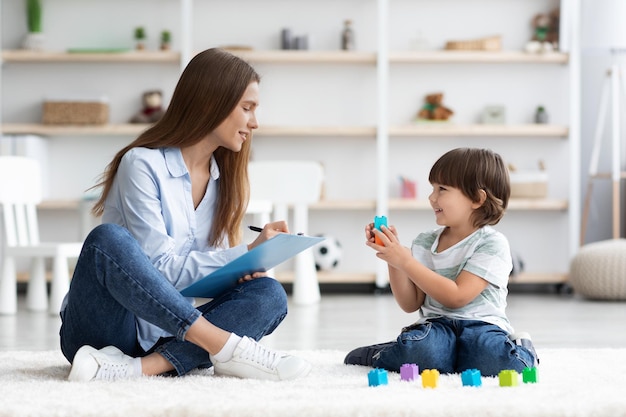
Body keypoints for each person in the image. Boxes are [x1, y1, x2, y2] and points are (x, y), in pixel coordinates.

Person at [59, 48, 311, 382]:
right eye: (247, 108)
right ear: (212, 103)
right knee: (107, 240)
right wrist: (244, 255)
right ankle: (225, 347)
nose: (255, 122)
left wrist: (245, 268)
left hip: (167, 336)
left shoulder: (224, 183)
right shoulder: (142, 165)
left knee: (269, 294)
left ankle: (141, 369)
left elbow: (201, 282)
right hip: (105, 329)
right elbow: (160, 269)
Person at [344, 147, 538, 377]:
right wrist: (394, 259)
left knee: (498, 361)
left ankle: (523, 346)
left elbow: (457, 297)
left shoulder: (492, 244)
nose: (431, 197)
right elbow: (410, 303)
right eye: (433, 188)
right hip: (436, 326)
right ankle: (384, 353)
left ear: (477, 198)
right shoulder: (425, 242)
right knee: (423, 351)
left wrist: (406, 262)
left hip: (482, 327)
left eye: (442, 189)